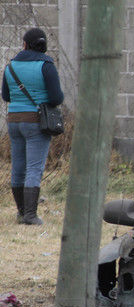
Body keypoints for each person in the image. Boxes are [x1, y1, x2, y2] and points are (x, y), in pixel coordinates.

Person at [1, 28, 64, 225]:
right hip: (35, 122)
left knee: (18, 167)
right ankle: (30, 215)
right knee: (34, 168)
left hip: (14, 121)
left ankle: (21, 213)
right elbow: (56, 97)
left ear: (25, 45)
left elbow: (6, 96)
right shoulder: (46, 66)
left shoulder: (10, 67)